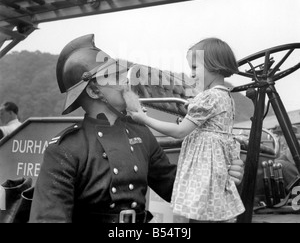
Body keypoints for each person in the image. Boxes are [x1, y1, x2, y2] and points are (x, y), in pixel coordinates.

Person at [29, 34, 244, 223]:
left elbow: (176, 188)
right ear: (94, 90)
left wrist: (221, 177)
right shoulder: (65, 149)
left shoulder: (140, 134)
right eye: (116, 77)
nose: (126, 83)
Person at [127, 38, 245, 223]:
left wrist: (144, 119)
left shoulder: (209, 97)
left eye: (195, 68)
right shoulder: (225, 96)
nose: (191, 74)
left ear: (214, 66)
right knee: (213, 209)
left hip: (205, 167)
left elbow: (179, 132)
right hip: (217, 165)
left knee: (199, 210)